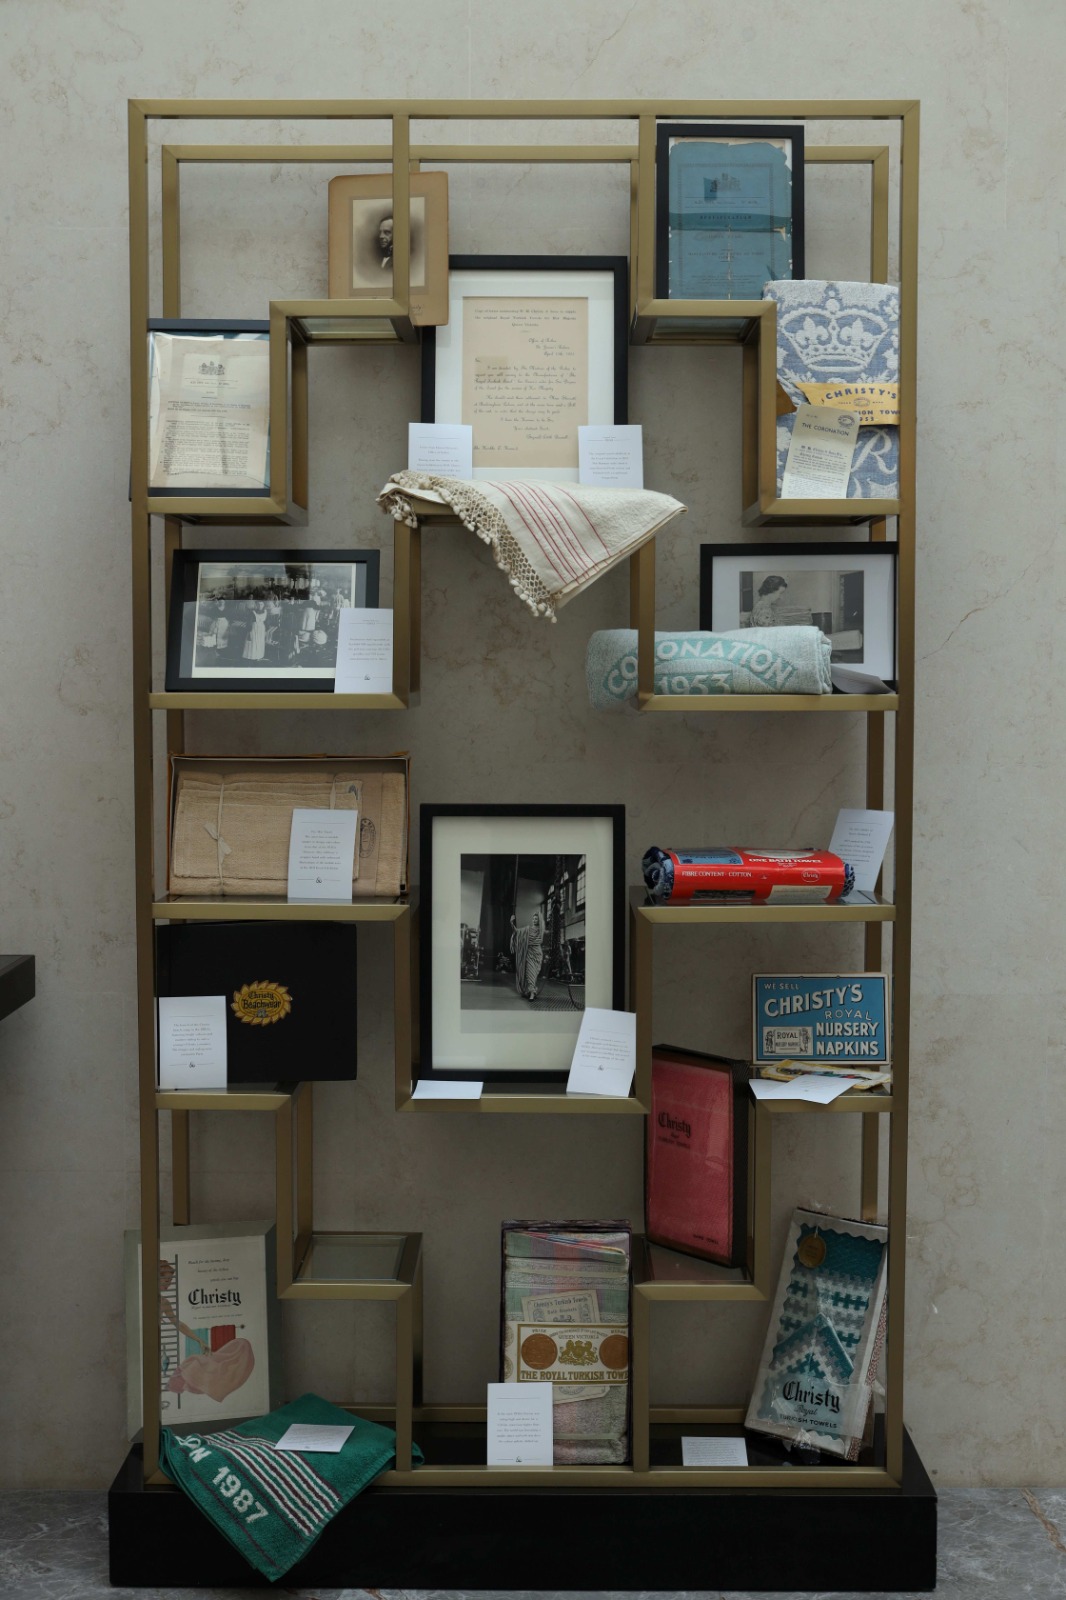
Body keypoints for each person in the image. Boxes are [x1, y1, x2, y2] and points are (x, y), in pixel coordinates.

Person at [510, 910, 544, 1001]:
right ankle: (532, 993)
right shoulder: (527, 929)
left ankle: (531, 990)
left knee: (534, 975)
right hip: (529, 953)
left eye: (536, 919)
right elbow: (516, 931)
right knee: (530, 974)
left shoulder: (541, 930)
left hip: (537, 954)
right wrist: (511, 923)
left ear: (539, 920)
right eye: (533, 919)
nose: (534, 920)